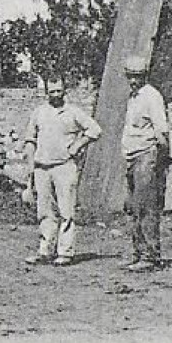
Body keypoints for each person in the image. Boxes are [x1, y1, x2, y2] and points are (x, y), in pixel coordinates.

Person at [21, 77, 102, 266]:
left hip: (64, 167)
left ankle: (65, 252)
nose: (55, 95)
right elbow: (30, 139)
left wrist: (77, 145)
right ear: (46, 92)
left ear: (64, 91)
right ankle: (44, 250)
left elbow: (95, 130)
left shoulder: (73, 112)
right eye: (52, 91)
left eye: (59, 91)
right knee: (45, 211)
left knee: (66, 211)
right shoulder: (39, 112)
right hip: (42, 167)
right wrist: (30, 167)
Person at [120, 56, 171, 273]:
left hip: (146, 156)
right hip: (132, 158)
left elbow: (161, 132)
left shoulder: (152, 96)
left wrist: (162, 160)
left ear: (144, 76)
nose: (133, 80)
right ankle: (137, 253)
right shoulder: (133, 98)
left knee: (146, 207)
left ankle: (151, 256)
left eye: (137, 76)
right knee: (133, 207)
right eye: (130, 76)